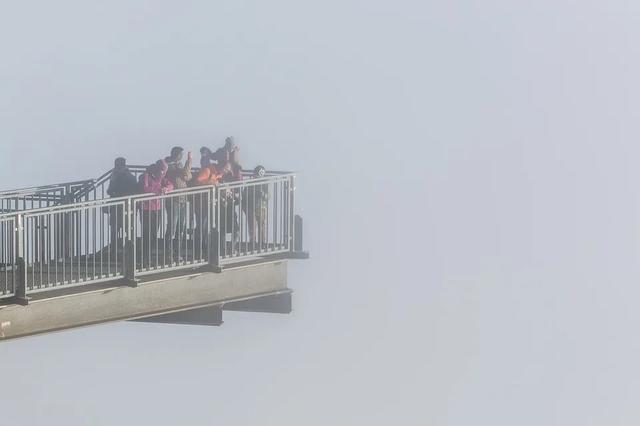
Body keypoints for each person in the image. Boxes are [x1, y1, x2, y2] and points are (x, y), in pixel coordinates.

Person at [139, 160, 173, 261]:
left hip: (157, 208)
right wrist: (157, 191)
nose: (163, 173)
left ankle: (148, 255)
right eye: (162, 170)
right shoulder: (146, 176)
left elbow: (171, 184)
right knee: (147, 234)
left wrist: (166, 189)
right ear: (157, 169)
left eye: (164, 171)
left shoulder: (161, 177)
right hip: (146, 208)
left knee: (154, 233)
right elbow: (144, 189)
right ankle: (145, 257)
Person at [106, 158, 138, 253]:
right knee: (126, 228)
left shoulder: (120, 177)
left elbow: (110, 190)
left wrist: (114, 191)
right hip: (124, 206)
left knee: (121, 228)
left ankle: (119, 249)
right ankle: (127, 248)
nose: (116, 167)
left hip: (123, 206)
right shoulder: (129, 176)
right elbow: (110, 190)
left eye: (117, 165)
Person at [164, 147, 192, 252]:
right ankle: (168, 249)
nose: (181, 156)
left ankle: (178, 249)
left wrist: (186, 170)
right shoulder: (168, 165)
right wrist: (189, 161)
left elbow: (187, 176)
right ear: (175, 154)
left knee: (181, 225)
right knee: (172, 225)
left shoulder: (179, 165)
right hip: (173, 199)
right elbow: (182, 174)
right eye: (180, 154)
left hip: (182, 198)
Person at [242, 166, 269, 246]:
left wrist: (263, 195)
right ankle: (252, 242)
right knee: (252, 226)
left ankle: (262, 242)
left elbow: (268, 195)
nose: (256, 176)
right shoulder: (250, 183)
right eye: (256, 174)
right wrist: (244, 207)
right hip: (251, 208)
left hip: (261, 207)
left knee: (261, 225)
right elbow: (244, 195)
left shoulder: (265, 184)